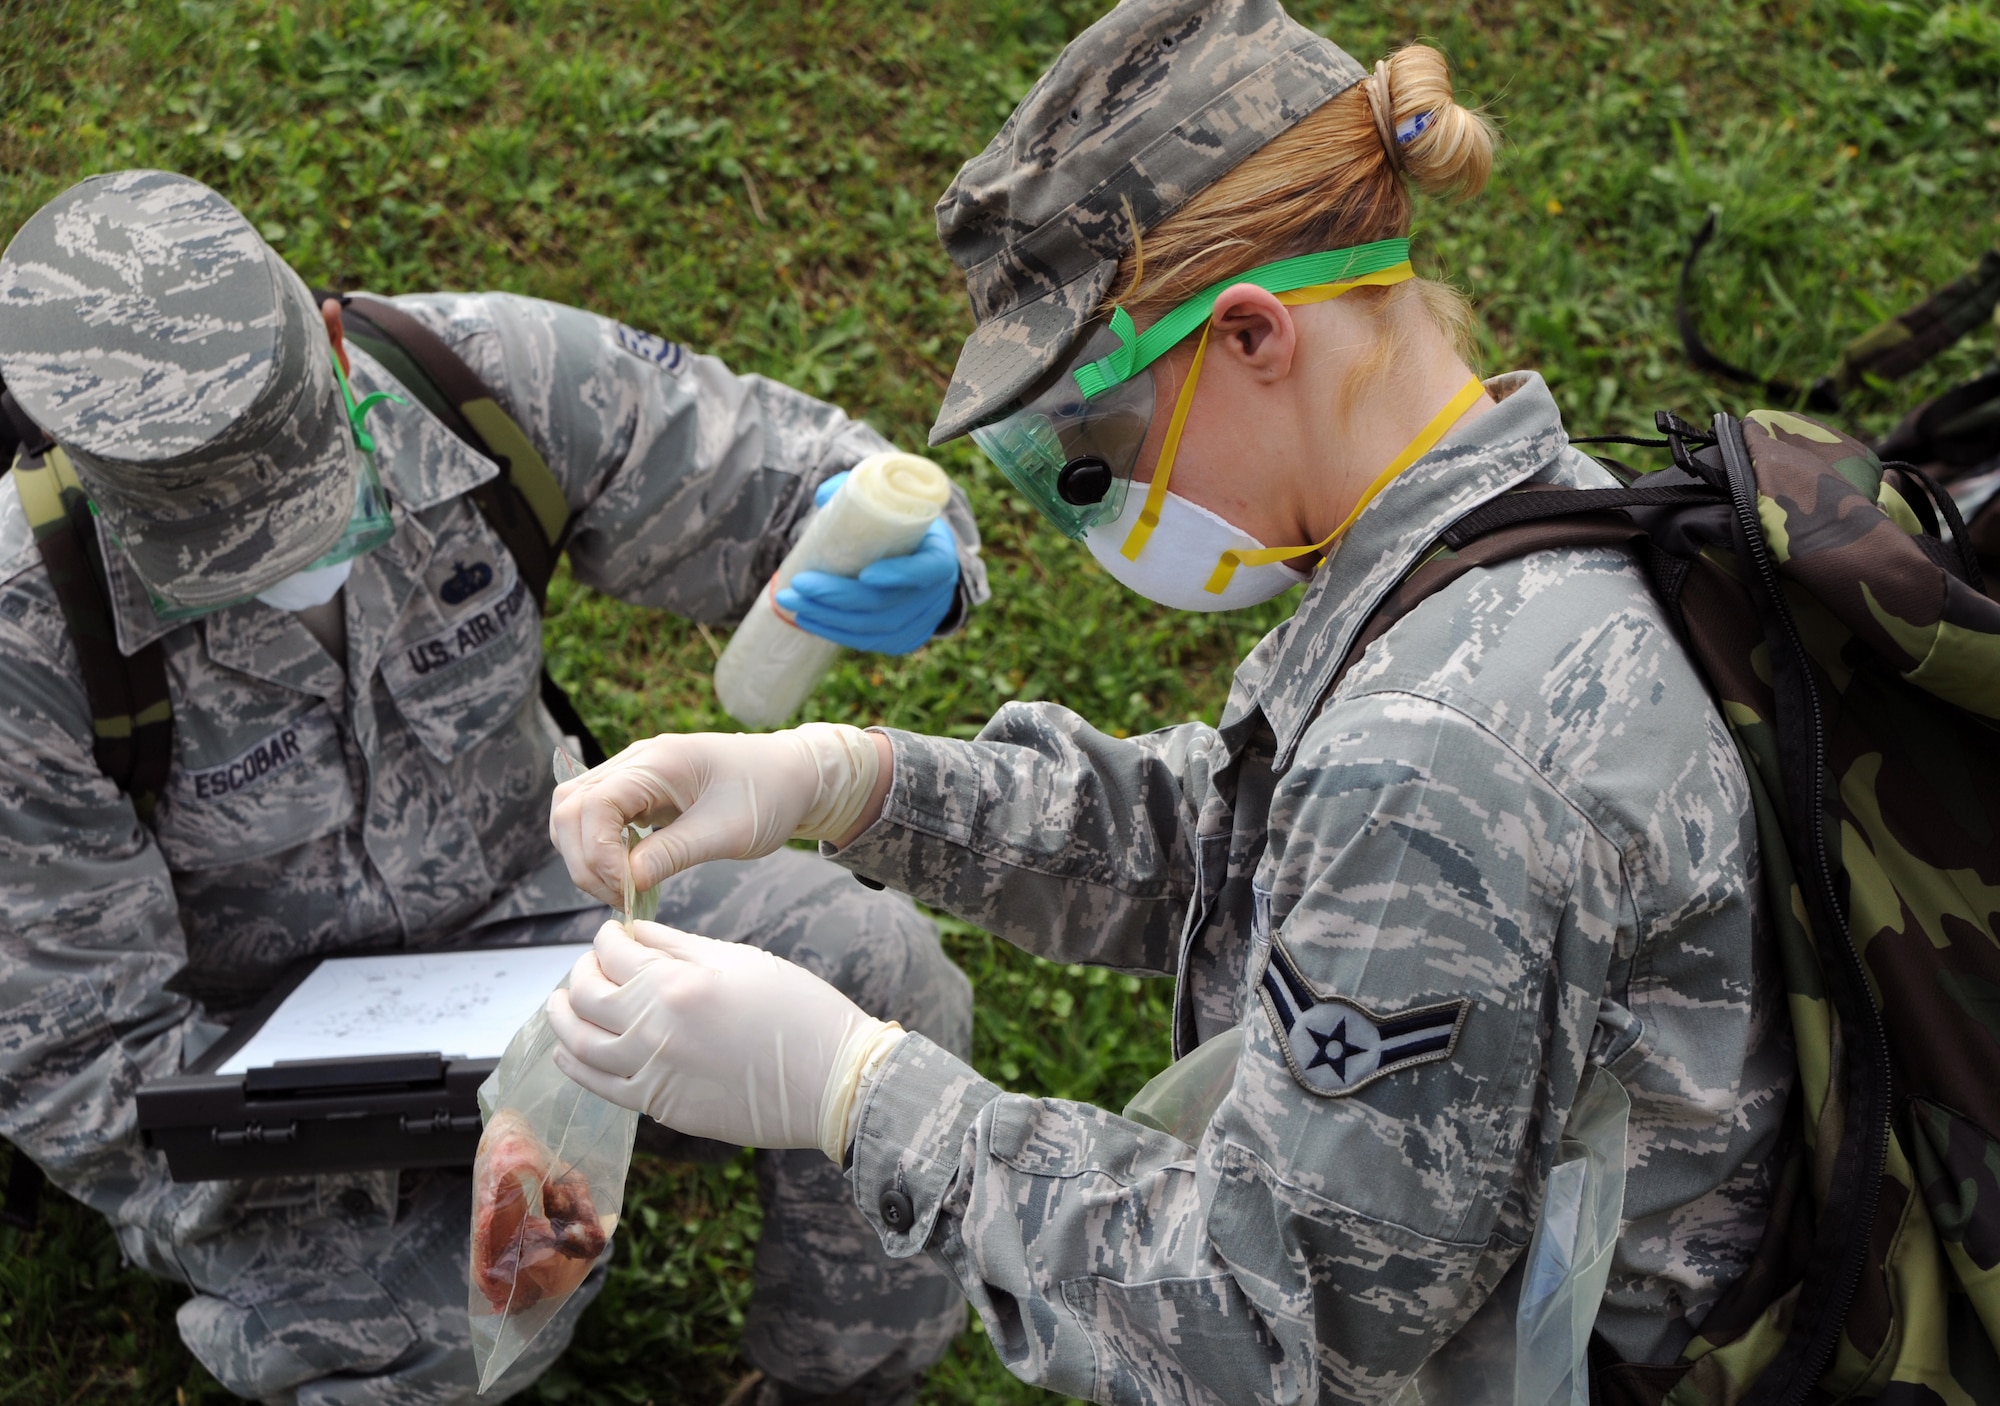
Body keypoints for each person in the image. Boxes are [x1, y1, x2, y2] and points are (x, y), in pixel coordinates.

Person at [543, 1, 1790, 1401]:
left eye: (1096, 442)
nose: (1104, 498)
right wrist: (858, 785)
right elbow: (1250, 845)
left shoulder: (1444, 755)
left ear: (1254, 334)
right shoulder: (1518, 534)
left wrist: (850, 1089)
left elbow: (1263, 1327)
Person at [0, 169, 985, 1406]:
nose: (284, 567)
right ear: (76, 465)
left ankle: (840, 1381)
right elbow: (80, 1066)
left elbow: (793, 476)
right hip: (285, 1070)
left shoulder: (476, 381)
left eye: (306, 500)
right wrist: (394, 1161)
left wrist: (895, 540)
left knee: (871, 965)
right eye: (216, 554)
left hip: (553, 907)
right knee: (414, 1332)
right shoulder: (23, 638)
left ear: (332, 334)